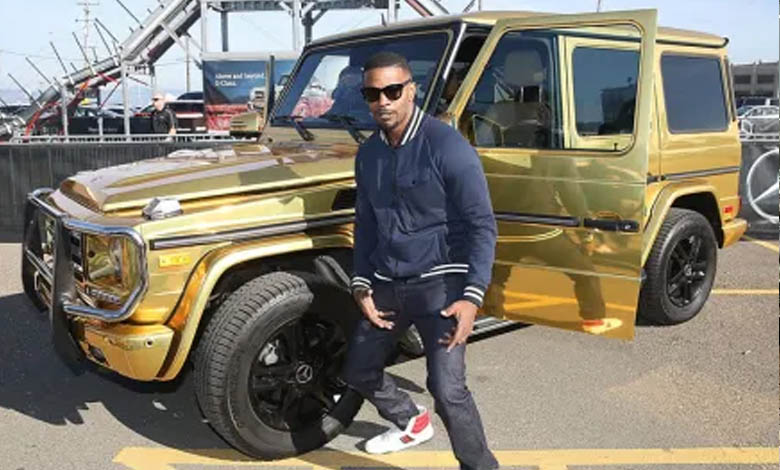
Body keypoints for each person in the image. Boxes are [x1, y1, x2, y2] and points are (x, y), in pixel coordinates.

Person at [340, 51, 499, 470]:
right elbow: (366, 223)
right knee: (357, 370)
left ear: (411, 91)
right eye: (373, 94)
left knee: (448, 390)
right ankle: (410, 420)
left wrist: (472, 296)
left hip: (441, 287)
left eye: (393, 91)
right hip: (388, 284)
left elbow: (482, 225)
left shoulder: (447, 146)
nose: (383, 101)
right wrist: (361, 282)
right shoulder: (368, 154)